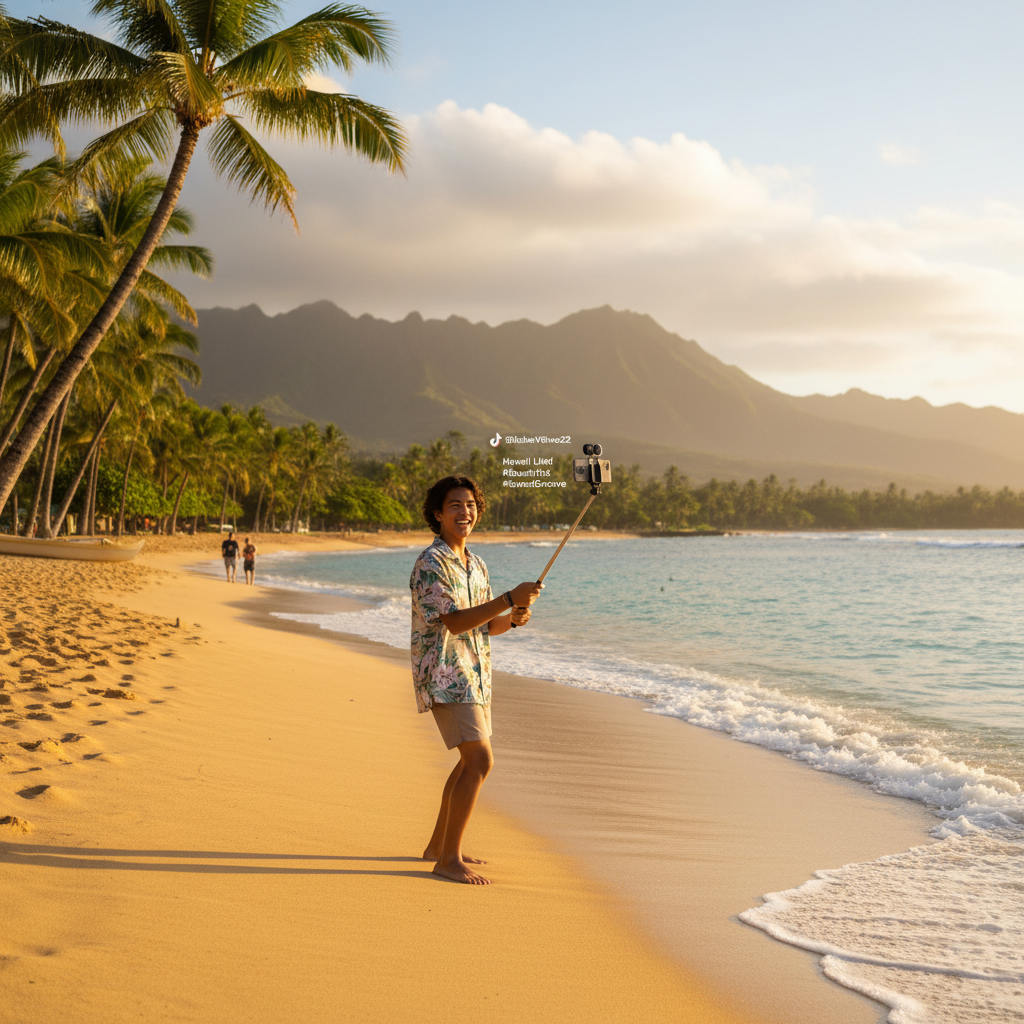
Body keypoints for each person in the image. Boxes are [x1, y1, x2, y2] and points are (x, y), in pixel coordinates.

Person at [410, 475, 542, 885]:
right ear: (438, 514)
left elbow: (483, 628)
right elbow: (453, 621)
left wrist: (513, 618)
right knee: (480, 761)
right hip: (446, 673)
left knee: (469, 761)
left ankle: (439, 846)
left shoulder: (475, 563)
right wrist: (506, 598)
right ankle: (448, 859)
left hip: (475, 673)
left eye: (469, 505)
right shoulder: (431, 564)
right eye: (454, 505)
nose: (464, 512)